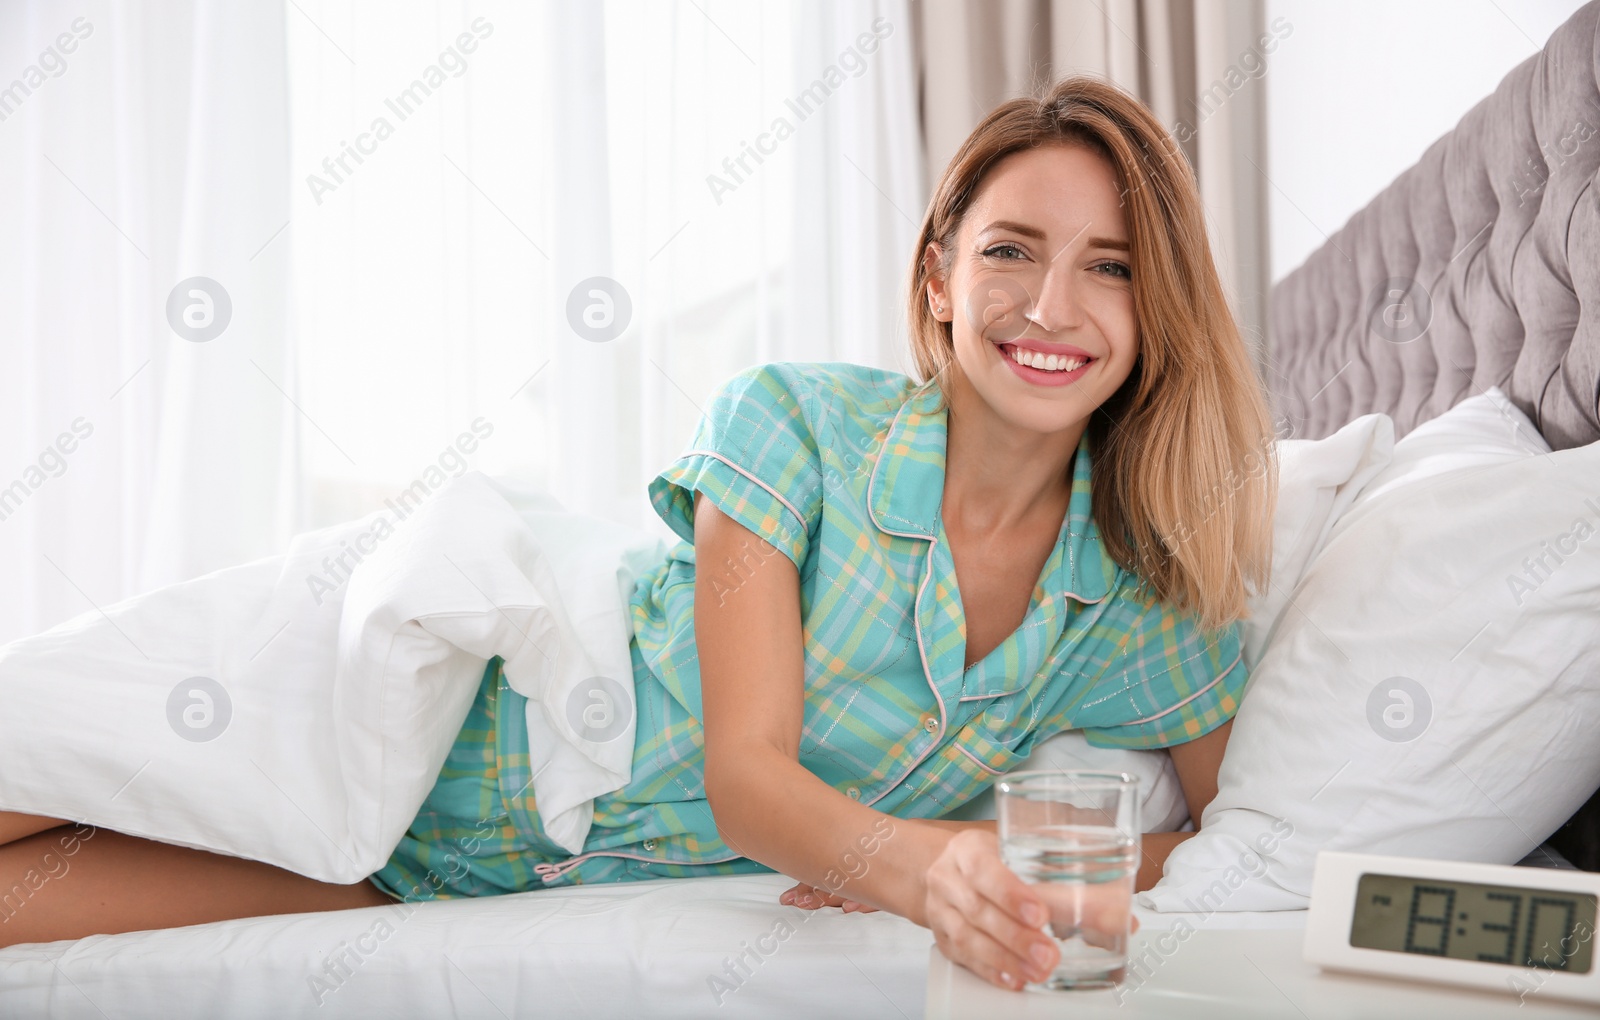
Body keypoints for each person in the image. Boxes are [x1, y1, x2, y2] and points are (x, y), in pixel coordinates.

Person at [0, 74, 1274, 992]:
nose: (1054, 304)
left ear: (1155, 308)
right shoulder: (795, 426)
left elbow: (1231, 843)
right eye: (1013, 250)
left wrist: (971, 854)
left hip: (439, 864)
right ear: (938, 281)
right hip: (411, 695)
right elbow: (750, 778)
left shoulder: (1144, 593)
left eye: (1110, 266)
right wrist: (910, 863)